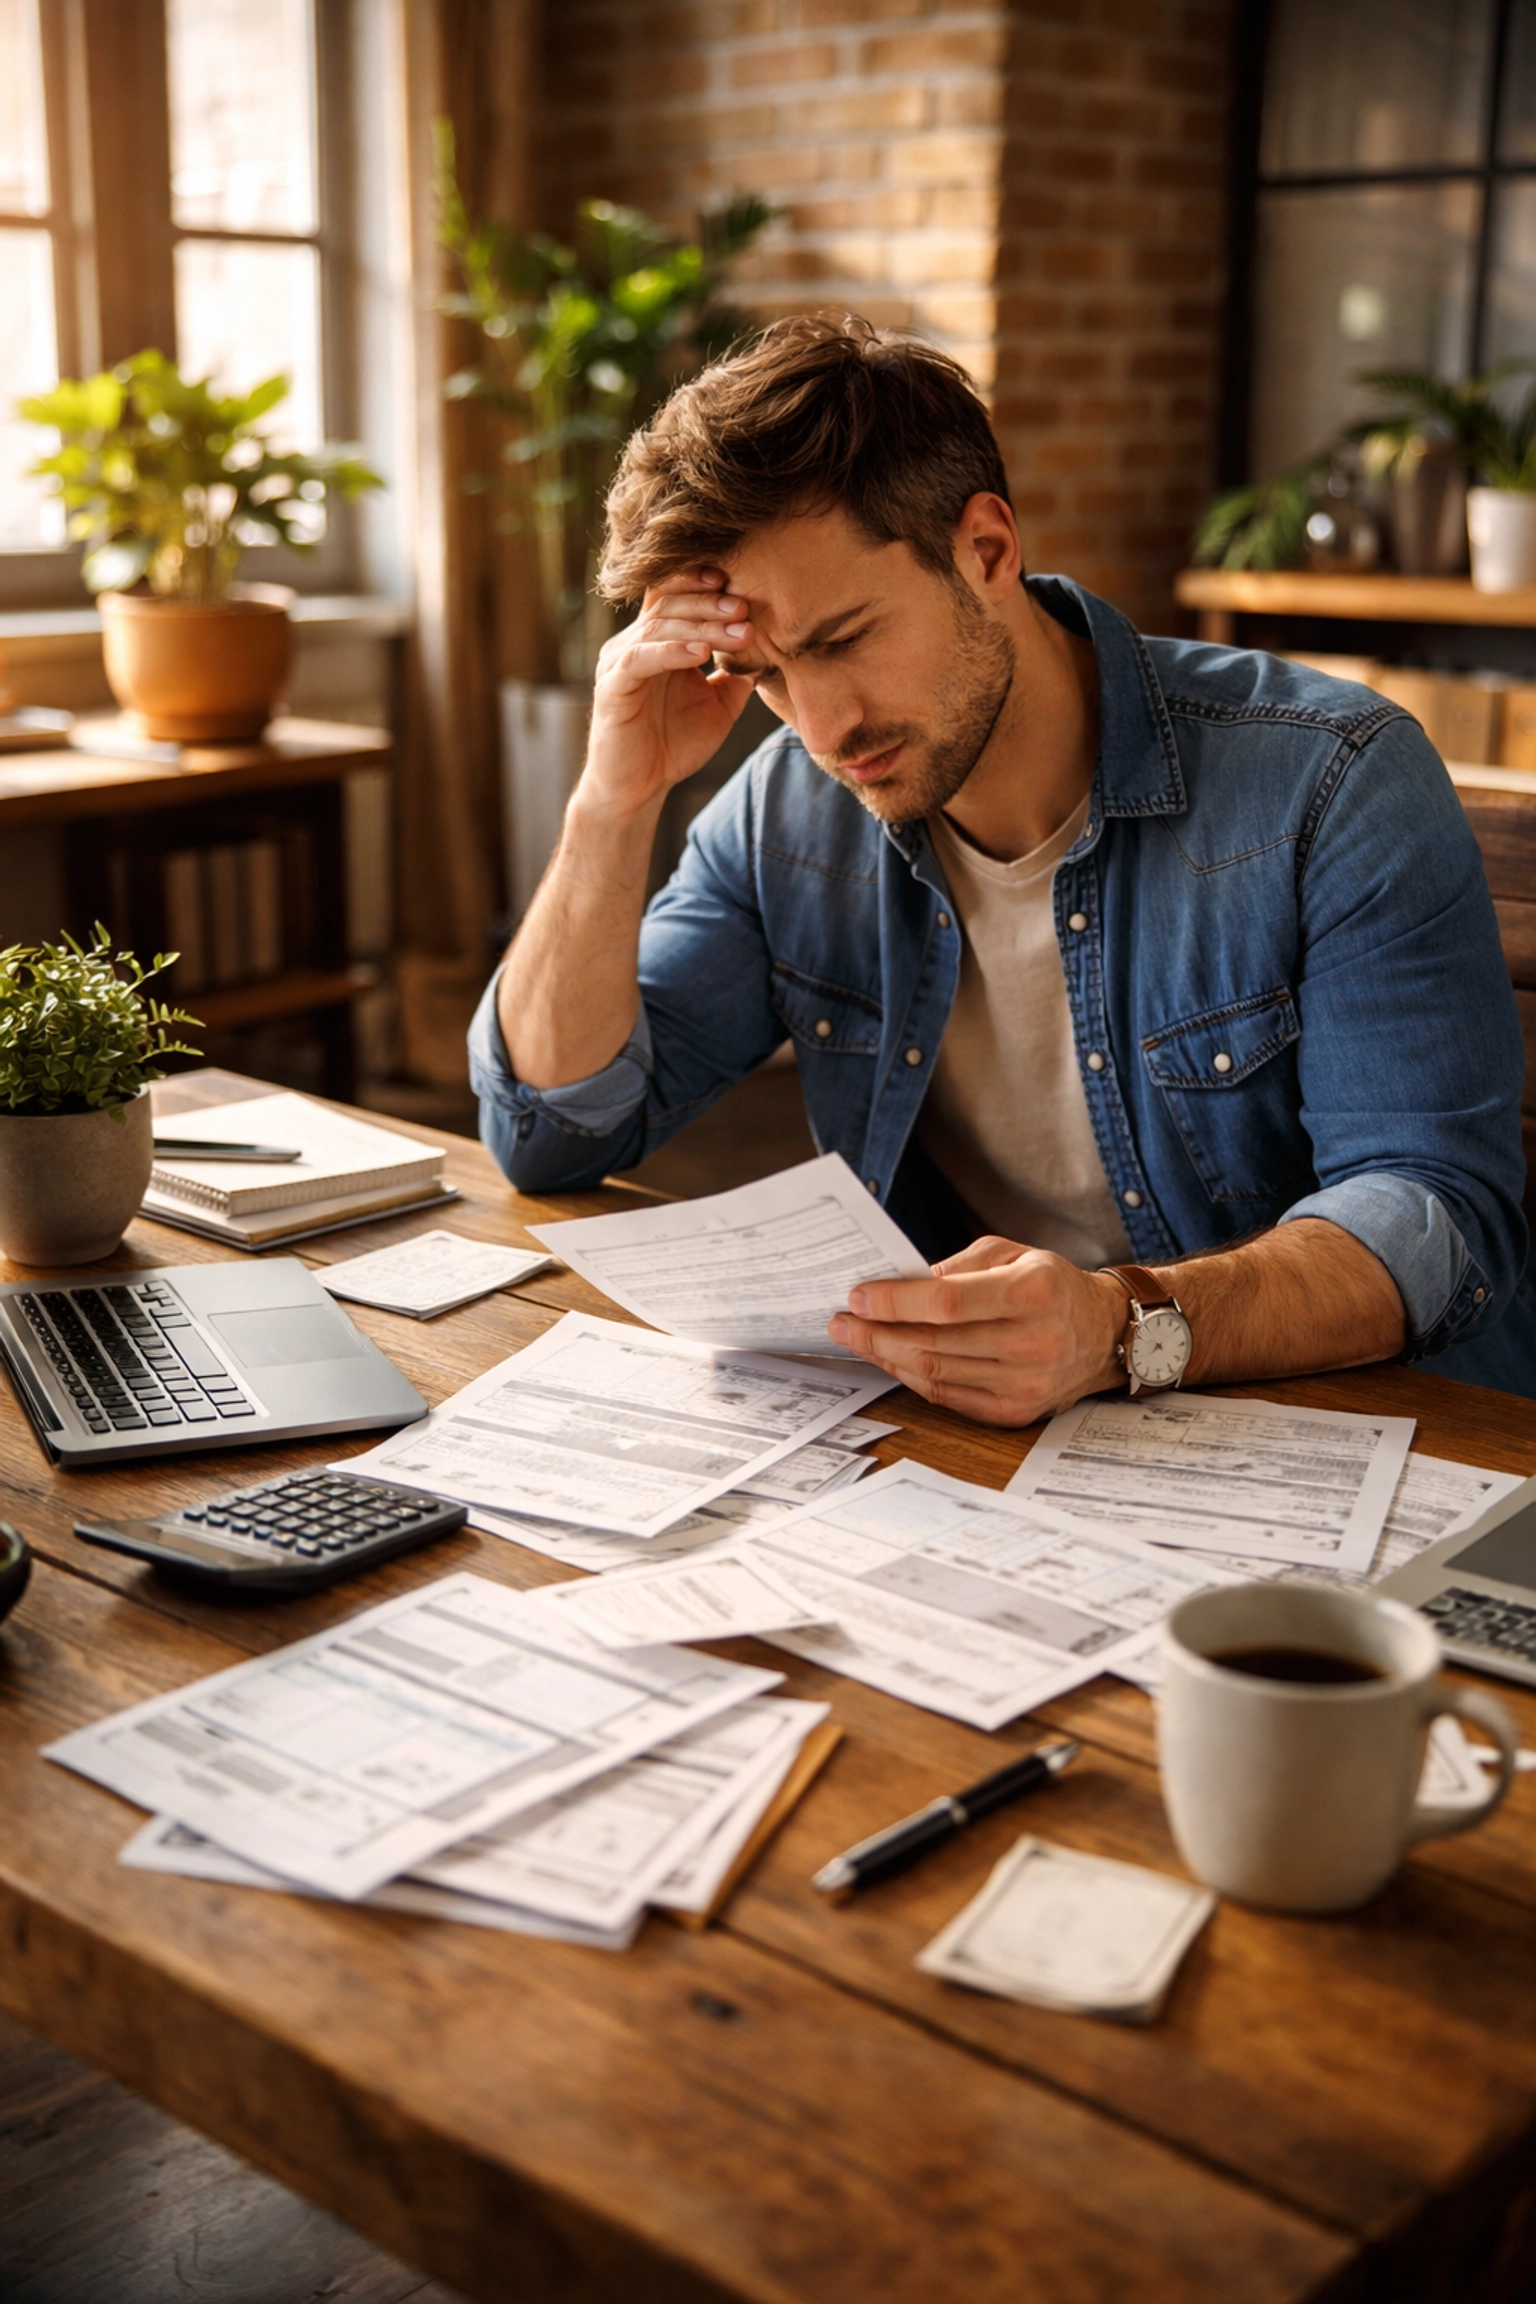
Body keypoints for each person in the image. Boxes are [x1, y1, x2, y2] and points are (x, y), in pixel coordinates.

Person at [471, 313, 1536, 1420]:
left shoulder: (1329, 781)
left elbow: (1438, 1219)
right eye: (767, 672)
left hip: (1356, 1437)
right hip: (998, 1446)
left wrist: (1122, 1325)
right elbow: (554, 1129)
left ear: (986, 549)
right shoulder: (785, 808)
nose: (822, 726)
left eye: (842, 640)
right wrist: (614, 798)